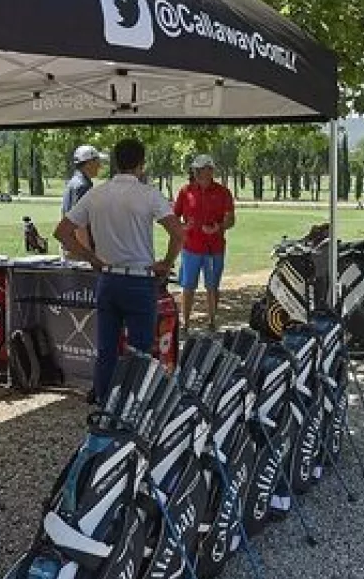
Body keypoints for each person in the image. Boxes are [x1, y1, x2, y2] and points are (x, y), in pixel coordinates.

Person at [54, 137, 184, 404]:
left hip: (108, 278)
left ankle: (104, 402)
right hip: (139, 280)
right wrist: (167, 263)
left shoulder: (97, 193)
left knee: (106, 350)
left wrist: (90, 256)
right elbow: (178, 233)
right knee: (141, 351)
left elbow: (62, 232)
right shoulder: (148, 193)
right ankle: (135, 404)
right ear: (141, 164)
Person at [173, 153, 236, 331]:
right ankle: (185, 322)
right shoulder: (186, 191)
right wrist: (185, 227)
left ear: (211, 170)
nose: (199, 173)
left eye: (202, 169)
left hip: (214, 248)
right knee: (188, 286)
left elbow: (231, 219)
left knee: (212, 286)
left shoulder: (223, 192)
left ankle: (212, 321)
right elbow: (174, 218)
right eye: (196, 170)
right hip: (191, 248)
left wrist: (218, 227)